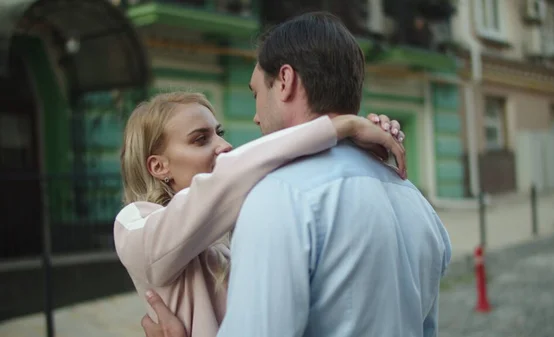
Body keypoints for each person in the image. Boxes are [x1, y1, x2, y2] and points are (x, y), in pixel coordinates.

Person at [215, 12, 451, 337]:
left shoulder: (279, 197)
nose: (255, 116)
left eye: (256, 93)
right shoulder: (415, 200)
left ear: (285, 81)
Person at [115, 91, 406, 337]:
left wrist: (356, 148)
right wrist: (340, 127)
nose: (224, 146)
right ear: (158, 167)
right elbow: (231, 177)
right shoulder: (132, 225)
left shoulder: (237, 219)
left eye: (219, 133)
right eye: (200, 139)